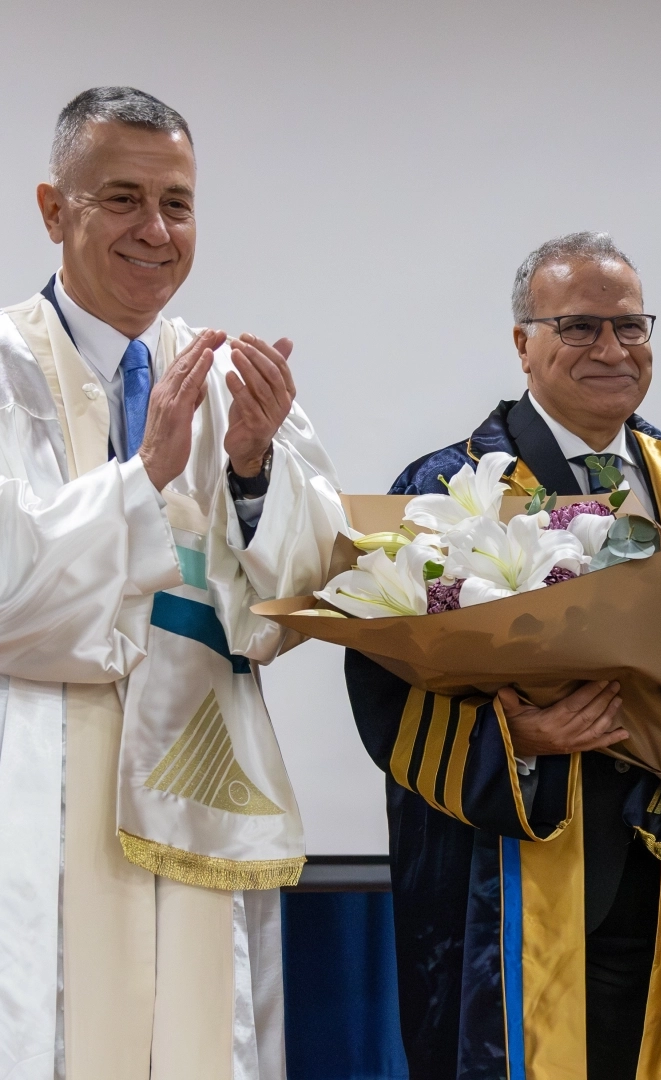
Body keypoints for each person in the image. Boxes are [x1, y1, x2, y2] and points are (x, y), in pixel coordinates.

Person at [344, 232, 661, 1080]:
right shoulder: (446, 490)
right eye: (579, 326)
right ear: (523, 343)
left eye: (630, 326)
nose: (611, 348)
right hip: (501, 878)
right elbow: (384, 682)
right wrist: (517, 742)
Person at [0, 87, 343, 1079]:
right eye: (122, 199)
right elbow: (12, 598)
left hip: (196, 781)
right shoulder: (8, 369)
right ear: (53, 209)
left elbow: (307, 594)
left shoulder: (228, 382)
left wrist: (254, 473)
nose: (155, 230)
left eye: (178, 204)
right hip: (37, 780)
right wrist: (141, 480)